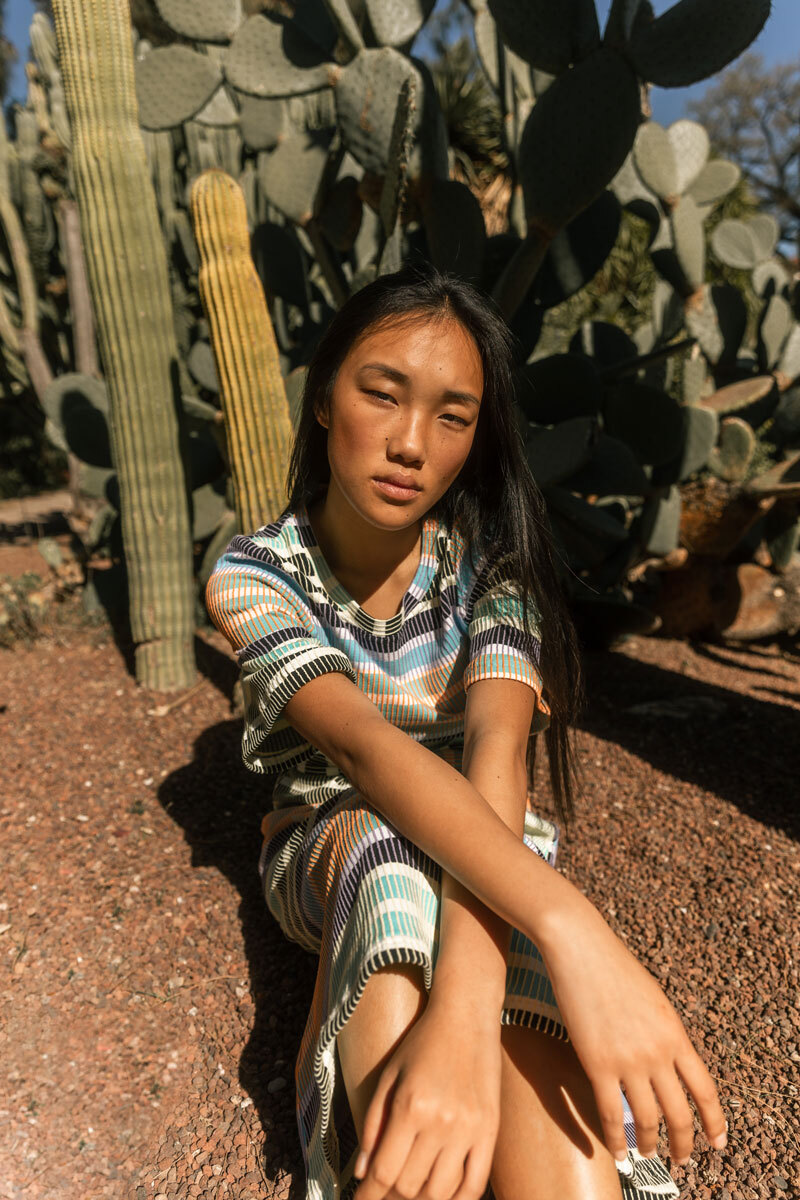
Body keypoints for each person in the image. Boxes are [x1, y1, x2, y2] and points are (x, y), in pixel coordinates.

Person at [205, 262, 727, 1200]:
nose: (412, 442)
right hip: (337, 836)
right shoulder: (254, 572)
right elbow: (367, 752)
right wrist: (573, 928)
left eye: (453, 415)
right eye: (383, 393)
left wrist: (468, 1008)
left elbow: (496, 754)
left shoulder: (496, 571)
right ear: (325, 398)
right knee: (387, 853)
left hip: (491, 832)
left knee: (553, 1125)